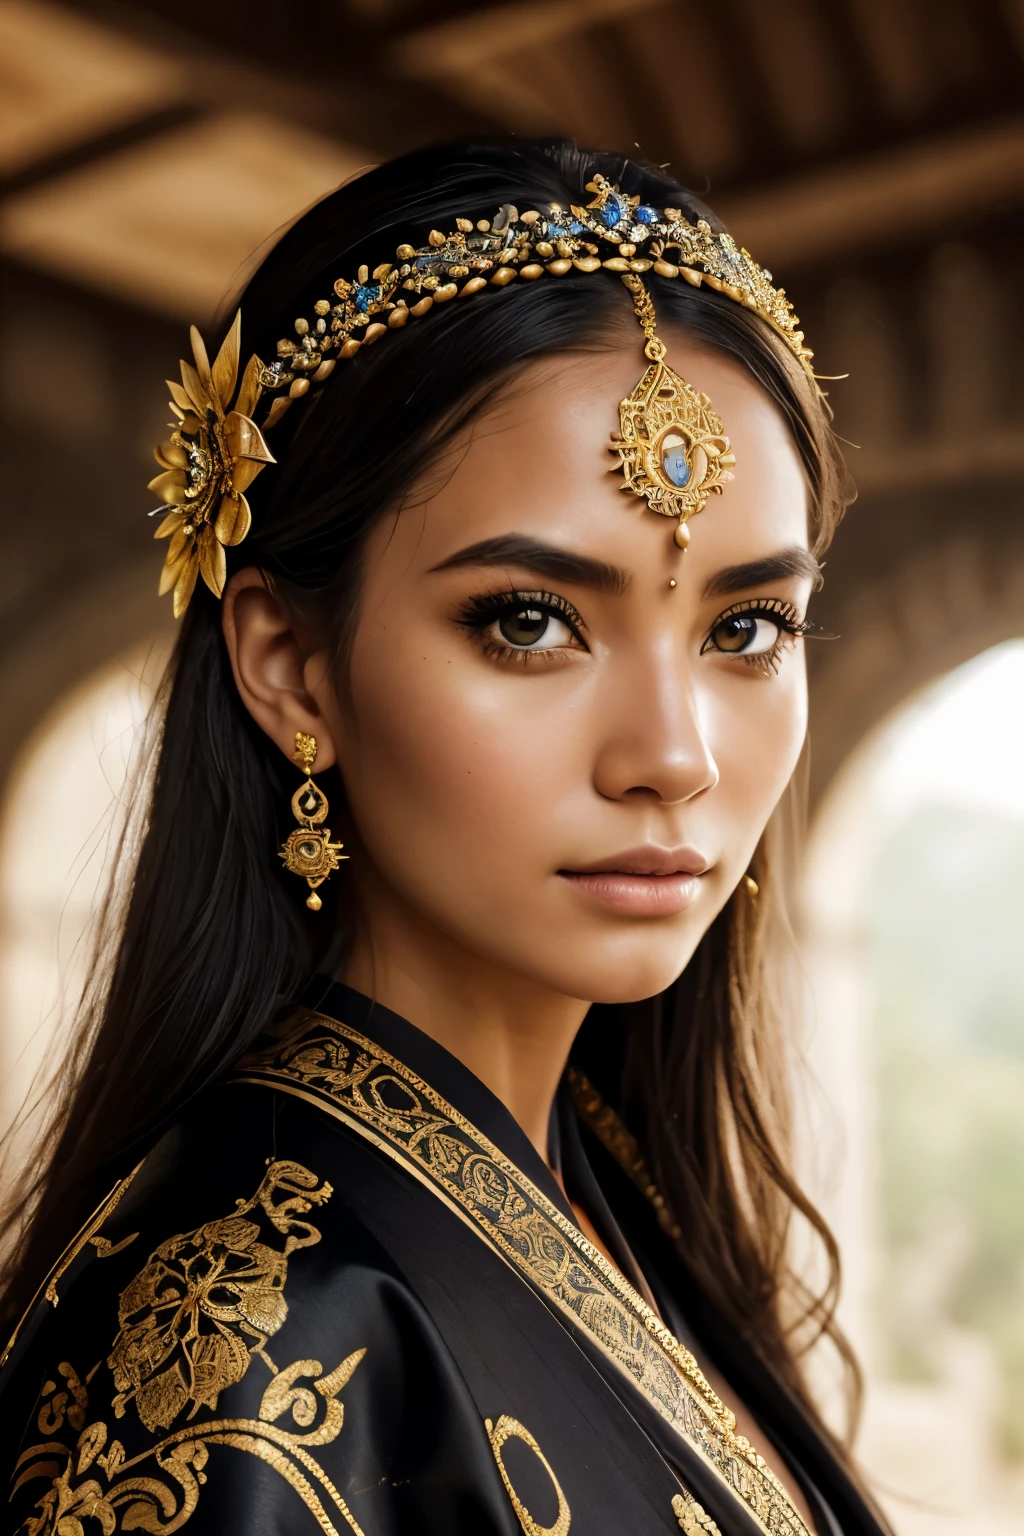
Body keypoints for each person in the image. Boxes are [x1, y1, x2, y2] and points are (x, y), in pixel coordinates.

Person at [0, 138, 891, 1536]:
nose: (675, 755)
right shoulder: (249, 1337)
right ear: (293, 668)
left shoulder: (615, 1190)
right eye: (530, 621)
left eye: (745, 629)